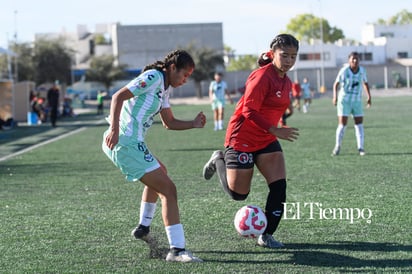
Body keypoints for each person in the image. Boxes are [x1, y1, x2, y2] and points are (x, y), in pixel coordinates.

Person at [102, 49, 206, 262]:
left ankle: (143, 227)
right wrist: (114, 129)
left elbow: (169, 123)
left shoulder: (164, 89)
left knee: (162, 175)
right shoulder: (153, 77)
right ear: (172, 67)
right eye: (184, 75)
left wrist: (193, 124)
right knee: (168, 189)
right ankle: (177, 250)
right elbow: (118, 96)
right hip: (125, 143)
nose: (185, 80)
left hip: (133, 143)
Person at [202, 34, 300, 248]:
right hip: (242, 138)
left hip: (266, 139)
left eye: (293, 56)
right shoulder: (261, 77)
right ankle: (219, 158)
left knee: (279, 187)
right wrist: (275, 129)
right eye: (284, 56)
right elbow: (248, 110)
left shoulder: (286, 80)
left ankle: (266, 235)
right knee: (239, 194)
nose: (289, 61)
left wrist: (276, 128)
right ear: (273, 53)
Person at [332, 51, 371, 156]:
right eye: (353, 59)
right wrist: (335, 97)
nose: (355, 60)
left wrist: (369, 97)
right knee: (342, 124)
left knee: (359, 124)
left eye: (357, 59)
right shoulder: (344, 71)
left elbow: (365, 83)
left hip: (357, 101)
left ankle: (361, 148)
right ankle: (337, 147)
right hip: (344, 101)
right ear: (349, 60)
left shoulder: (362, 71)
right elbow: (336, 84)